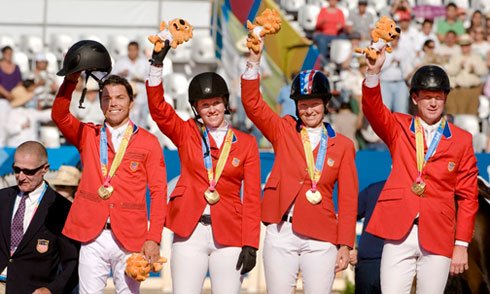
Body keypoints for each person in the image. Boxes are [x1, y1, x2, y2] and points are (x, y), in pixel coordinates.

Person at [241, 38, 358, 293]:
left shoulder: (344, 146)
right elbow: (252, 104)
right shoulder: (283, 129)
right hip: (282, 230)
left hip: (322, 234)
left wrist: (346, 244)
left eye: (315, 103)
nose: (309, 110)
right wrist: (253, 61)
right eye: (303, 104)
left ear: (326, 103)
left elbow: (348, 200)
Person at [51, 40, 167, 294]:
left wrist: (153, 238)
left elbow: (159, 193)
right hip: (92, 235)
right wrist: (71, 80)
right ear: (101, 103)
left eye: (119, 98)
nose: (113, 103)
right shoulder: (88, 135)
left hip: (131, 237)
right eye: (107, 98)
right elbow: (59, 116)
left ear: (131, 103)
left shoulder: (149, 142)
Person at [145, 40, 261, 294]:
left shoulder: (247, 143)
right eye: (205, 105)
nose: (211, 110)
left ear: (225, 104)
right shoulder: (186, 133)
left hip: (230, 235)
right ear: (196, 109)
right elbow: (159, 110)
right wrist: (156, 65)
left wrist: (251, 243)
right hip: (189, 231)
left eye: (216, 103)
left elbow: (252, 197)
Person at [362, 48, 479, 293]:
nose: (433, 102)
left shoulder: (462, 140)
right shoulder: (398, 126)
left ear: (445, 97)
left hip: (438, 233)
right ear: (415, 98)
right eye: (427, 96)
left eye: (438, 96)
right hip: (398, 232)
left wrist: (461, 244)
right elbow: (373, 110)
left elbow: (468, 197)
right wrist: (373, 73)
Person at [0, 141, 79, 294]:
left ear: (44, 169)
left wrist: (51, 290)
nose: (21, 177)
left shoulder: (61, 208)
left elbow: (73, 262)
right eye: (17, 170)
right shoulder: (2, 199)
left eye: (28, 171)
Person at [349, 180, 386, 294]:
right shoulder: (374, 189)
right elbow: (348, 216)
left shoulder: (373, 189)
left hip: (398, 262)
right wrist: (351, 248)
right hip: (371, 262)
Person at [446, 34, 488, 116]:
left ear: (470, 45)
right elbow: (449, 71)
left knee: (472, 115)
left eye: (467, 45)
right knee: (459, 116)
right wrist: (458, 66)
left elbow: (484, 71)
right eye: (463, 45)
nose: (465, 47)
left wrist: (475, 69)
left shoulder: (476, 57)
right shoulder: (455, 57)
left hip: (473, 91)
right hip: (459, 90)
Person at [112, 41, 150, 128]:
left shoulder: (145, 62)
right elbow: (112, 77)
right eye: (130, 50)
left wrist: (139, 79)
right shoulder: (121, 62)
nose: (132, 52)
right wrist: (121, 74)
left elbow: (150, 78)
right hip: (126, 94)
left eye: (134, 50)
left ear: (138, 50)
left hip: (141, 95)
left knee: (141, 118)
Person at [5, 80, 52, 147]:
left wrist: (59, 108)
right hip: (16, 146)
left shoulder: (30, 111)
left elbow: (45, 115)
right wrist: (21, 126)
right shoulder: (12, 113)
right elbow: (8, 129)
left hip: (31, 146)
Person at [0, 46, 23, 147]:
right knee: (2, 126)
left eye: (10, 53)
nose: (9, 55)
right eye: (7, 53)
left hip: (14, 101)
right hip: (3, 100)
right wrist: (6, 94)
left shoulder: (16, 67)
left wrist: (14, 94)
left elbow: (19, 83)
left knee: (13, 125)